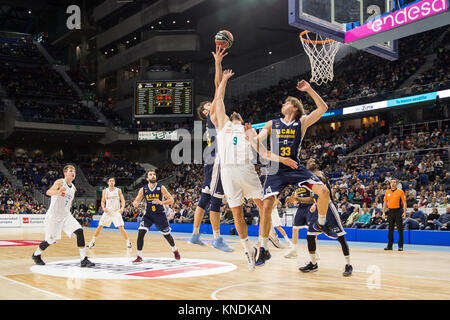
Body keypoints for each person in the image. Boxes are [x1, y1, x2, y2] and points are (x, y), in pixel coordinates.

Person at [211, 68, 297, 271]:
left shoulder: (249, 129)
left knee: (265, 206)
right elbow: (219, 99)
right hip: (228, 171)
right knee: (237, 214)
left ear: (241, 120)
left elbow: (261, 148)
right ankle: (248, 249)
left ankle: (266, 240)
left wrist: (271, 139)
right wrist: (223, 80)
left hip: (246, 169)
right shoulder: (222, 124)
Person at [251, 80, 332, 267]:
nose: (282, 105)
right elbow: (258, 143)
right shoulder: (272, 123)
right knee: (266, 206)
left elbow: (323, 107)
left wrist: (309, 89)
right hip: (276, 169)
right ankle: (263, 249)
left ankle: (320, 223)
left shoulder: (301, 122)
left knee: (324, 192)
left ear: (294, 107)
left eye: (286, 102)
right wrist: (250, 137)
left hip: (295, 167)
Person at [188, 46, 233, 253]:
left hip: (213, 160)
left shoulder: (213, 118)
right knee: (214, 200)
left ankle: (196, 235)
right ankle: (216, 239)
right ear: (205, 112)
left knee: (205, 199)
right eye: (208, 105)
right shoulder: (211, 116)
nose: (211, 104)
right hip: (217, 160)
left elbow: (218, 91)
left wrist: (218, 67)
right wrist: (218, 66)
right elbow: (217, 88)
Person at [32, 164, 95, 267]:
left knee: (79, 231)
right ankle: (36, 255)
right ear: (65, 173)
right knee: (50, 240)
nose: (72, 173)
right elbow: (48, 192)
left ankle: (83, 259)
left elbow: (68, 202)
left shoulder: (73, 188)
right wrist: (58, 191)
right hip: (53, 216)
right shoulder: (60, 182)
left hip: (65, 215)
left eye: (74, 171)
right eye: (70, 171)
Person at [298, 159, 352, 277]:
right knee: (310, 236)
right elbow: (312, 198)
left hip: (329, 207)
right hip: (318, 208)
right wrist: (297, 199)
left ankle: (348, 265)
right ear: (307, 166)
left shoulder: (319, 174)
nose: (312, 162)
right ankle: (313, 264)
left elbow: (321, 180)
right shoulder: (309, 180)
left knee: (341, 237)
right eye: (309, 161)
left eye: (314, 161)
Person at [131, 170, 180, 263]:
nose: (153, 176)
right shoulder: (143, 189)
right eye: (150, 174)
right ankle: (139, 256)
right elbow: (137, 200)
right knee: (141, 232)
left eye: (154, 174)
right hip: (148, 214)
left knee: (166, 235)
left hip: (160, 214)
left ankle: (174, 249)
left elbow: (171, 200)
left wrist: (161, 202)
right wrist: (135, 203)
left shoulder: (161, 188)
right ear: (147, 178)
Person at [87, 177, 131, 249]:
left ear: (114, 182)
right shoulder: (105, 191)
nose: (111, 182)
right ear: (108, 182)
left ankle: (128, 242)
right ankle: (92, 242)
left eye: (113, 181)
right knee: (99, 226)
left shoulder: (118, 190)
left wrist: (122, 208)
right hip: (107, 212)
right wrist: (103, 208)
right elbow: (102, 201)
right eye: (110, 181)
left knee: (121, 228)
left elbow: (122, 200)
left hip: (116, 212)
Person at [284, 185, 315, 258]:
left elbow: (312, 199)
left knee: (311, 231)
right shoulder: (296, 185)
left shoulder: (308, 182)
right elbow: (296, 200)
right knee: (294, 228)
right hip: (301, 208)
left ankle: (314, 252)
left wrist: (296, 199)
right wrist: (291, 200)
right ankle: (294, 250)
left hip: (309, 207)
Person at [382, 179, 406, 251]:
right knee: (390, 229)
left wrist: (404, 212)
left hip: (398, 211)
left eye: (394, 182)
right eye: (392, 182)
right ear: (390, 184)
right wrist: (383, 212)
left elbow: (404, 202)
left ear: (397, 184)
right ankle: (389, 246)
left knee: (400, 229)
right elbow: (385, 203)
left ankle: (400, 246)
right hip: (390, 211)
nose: (393, 183)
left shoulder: (400, 191)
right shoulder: (387, 192)